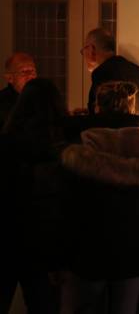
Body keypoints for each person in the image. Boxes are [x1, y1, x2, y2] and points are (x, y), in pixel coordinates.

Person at [59, 81, 139, 314]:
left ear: (97, 107)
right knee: (125, 308)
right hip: (133, 246)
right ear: (132, 107)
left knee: (85, 307)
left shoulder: (81, 143)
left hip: (90, 247)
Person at [1, 78, 67, 314]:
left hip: (7, 237)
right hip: (43, 244)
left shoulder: (7, 142)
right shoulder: (63, 148)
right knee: (43, 305)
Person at [80, 27, 139, 128]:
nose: (83, 55)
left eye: (83, 50)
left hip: (127, 141)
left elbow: (97, 122)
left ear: (92, 50)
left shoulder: (103, 73)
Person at [0, 52, 37, 130]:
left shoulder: (44, 98)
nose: (30, 77)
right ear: (10, 78)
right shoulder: (2, 102)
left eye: (33, 72)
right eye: (23, 72)